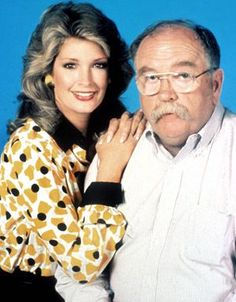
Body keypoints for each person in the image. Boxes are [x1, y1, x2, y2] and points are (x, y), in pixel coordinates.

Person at [55, 19, 236, 302]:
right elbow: (78, 271)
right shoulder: (115, 149)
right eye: (151, 78)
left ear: (215, 84)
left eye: (183, 76)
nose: (165, 94)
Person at [0, 2, 146, 301]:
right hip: (29, 291)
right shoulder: (31, 146)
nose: (86, 81)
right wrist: (109, 172)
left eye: (98, 65)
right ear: (48, 72)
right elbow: (82, 264)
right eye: (70, 65)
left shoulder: (110, 129)